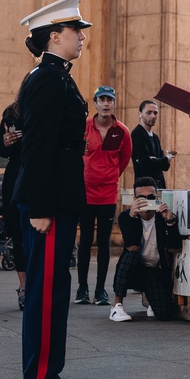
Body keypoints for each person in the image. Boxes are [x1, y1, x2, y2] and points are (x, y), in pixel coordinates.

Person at [13, 0, 92, 379]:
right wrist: (41, 208)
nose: (81, 37)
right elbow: (38, 147)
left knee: (55, 289)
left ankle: (49, 376)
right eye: (75, 30)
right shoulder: (46, 78)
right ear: (53, 35)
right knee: (45, 292)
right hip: (49, 202)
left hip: (59, 197)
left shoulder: (58, 76)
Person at [76, 85, 132, 306]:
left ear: (114, 103)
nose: (106, 103)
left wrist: (109, 177)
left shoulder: (122, 131)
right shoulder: (84, 127)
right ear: (95, 103)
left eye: (110, 99)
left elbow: (124, 160)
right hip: (85, 194)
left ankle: (100, 290)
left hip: (108, 195)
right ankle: (82, 289)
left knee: (104, 242)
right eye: (102, 100)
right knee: (85, 241)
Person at [108, 177, 183, 323]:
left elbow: (175, 247)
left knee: (164, 313)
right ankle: (117, 305)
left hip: (152, 271)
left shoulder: (162, 217)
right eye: (142, 198)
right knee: (132, 254)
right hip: (132, 268)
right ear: (135, 199)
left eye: (151, 197)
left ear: (157, 198)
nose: (146, 201)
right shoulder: (126, 217)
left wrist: (170, 222)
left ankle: (151, 299)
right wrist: (133, 217)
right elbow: (132, 245)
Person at [0, 101, 26, 309]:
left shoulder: (51, 108)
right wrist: (4, 142)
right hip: (15, 177)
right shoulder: (12, 112)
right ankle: (24, 287)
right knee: (19, 235)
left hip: (42, 176)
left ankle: (41, 285)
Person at [130, 100, 174, 190]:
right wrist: (165, 158)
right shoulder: (138, 134)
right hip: (145, 189)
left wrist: (159, 160)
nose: (153, 116)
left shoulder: (155, 137)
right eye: (149, 112)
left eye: (155, 113)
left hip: (159, 186)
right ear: (140, 114)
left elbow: (165, 167)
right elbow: (145, 164)